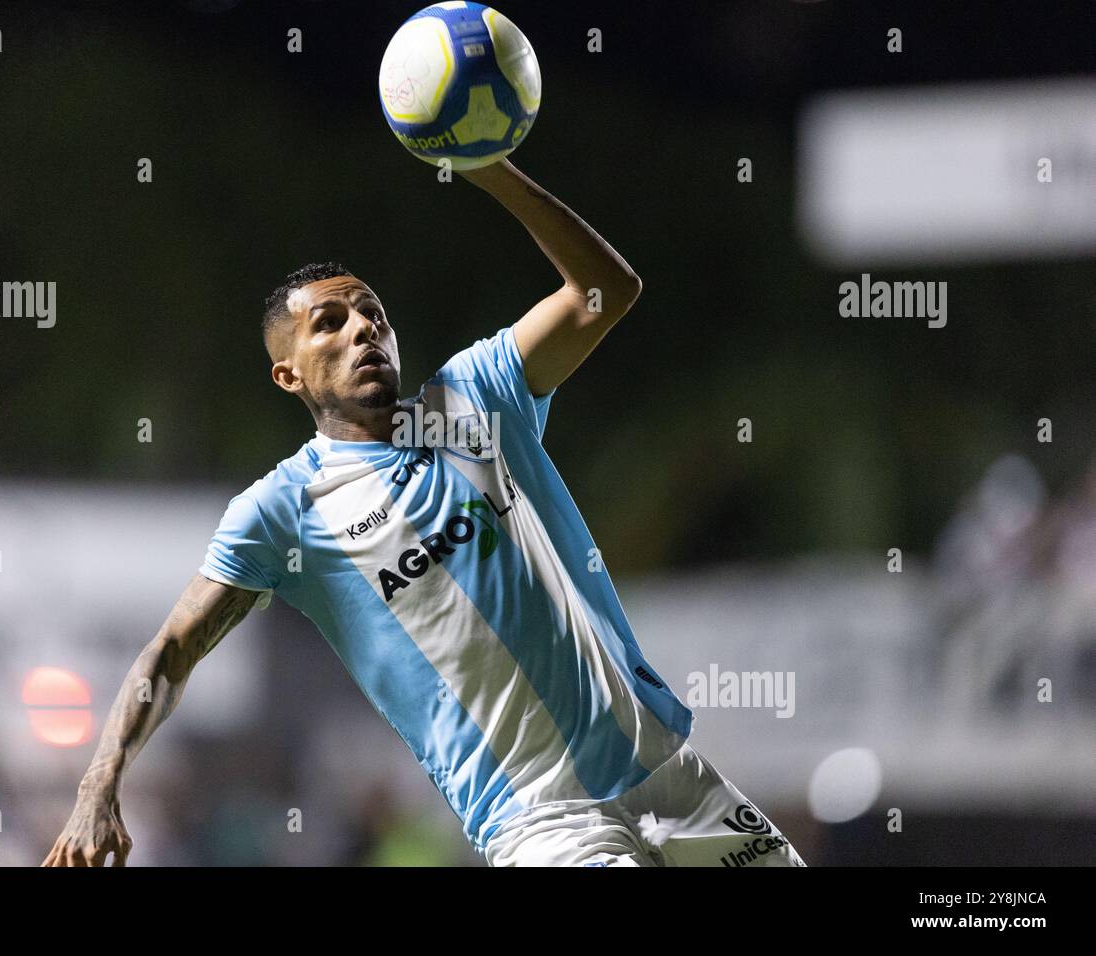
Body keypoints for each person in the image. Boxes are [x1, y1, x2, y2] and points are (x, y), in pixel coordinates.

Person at [42, 159, 805, 867]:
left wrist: (492, 168)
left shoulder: (472, 398)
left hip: (669, 773)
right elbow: (171, 650)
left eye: (370, 312)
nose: (362, 328)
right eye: (329, 323)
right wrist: (97, 785)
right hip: (542, 821)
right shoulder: (283, 509)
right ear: (288, 374)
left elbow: (607, 289)